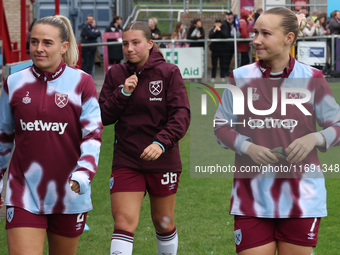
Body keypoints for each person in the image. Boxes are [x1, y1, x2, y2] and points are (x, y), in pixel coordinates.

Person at [214, 7, 340, 255]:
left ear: (289, 38)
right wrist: (246, 146)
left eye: (266, 34)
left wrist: (315, 138)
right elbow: (221, 126)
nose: (256, 39)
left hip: (302, 197)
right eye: (256, 32)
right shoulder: (240, 77)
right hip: (251, 197)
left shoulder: (313, 77)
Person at [0, 15, 103, 255]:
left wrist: (83, 173)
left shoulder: (82, 82)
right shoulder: (14, 82)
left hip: (69, 192)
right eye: (34, 42)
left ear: (64, 47)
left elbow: (93, 135)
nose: (39, 49)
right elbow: (3, 136)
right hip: (23, 192)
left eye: (47, 43)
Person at [99, 21, 190, 255]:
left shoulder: (169, 72)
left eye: (136, 43)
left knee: (163, 223)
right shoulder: (116, 74)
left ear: (150, 43)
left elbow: (181, 115)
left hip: (163, 159)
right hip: (127, 159)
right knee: (123, 222)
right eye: (125, 44)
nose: (129, 48)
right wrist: (122, 93)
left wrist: (161, 142)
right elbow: (102, 116)